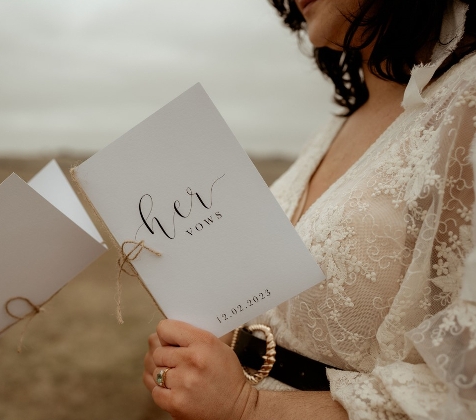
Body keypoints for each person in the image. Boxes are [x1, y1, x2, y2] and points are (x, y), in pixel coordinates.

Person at [143, 0, 476, 418]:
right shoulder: (337, 124)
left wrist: (247, 407)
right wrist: (208, 353)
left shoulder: (468, 104)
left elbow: (465, 392)